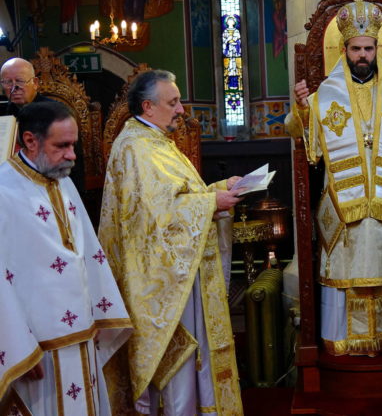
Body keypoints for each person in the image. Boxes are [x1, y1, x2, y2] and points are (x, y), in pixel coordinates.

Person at [285, 0, 382, 356]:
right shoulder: (324, 95)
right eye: (355, 49)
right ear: (344, 50)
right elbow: (301, 137)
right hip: (344, 204)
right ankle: (343, 344)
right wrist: (301, 108)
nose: (362, 55)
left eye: (368, 48)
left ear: (376, 49)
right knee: (344, 272)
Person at [99, 70, 244, 415]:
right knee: (179, 361)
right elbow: (153, 218)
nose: (181, 110)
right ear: (148, 107)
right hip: (162, 283)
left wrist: (218, 190)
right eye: (173, 102)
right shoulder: (135, 147)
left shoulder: (157, 141)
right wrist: (211, 203)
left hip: (182, 268)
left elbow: (177, 198)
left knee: (195, 356)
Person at [0, 101, 131, 415]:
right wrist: (17, 346)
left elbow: (89, 252)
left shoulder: (63, 181)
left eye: (73, 145)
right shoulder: (4, 191)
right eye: (61, 146)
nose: (72, 155)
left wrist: (98, 313)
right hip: (36, 348)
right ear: (30, 141)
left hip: (82, 334)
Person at [0, 57, 85, 192]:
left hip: (50, 183)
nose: (14, 87)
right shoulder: (3, 114)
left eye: (20, 81)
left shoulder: (55, 112)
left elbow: (71, 158)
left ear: (35, 83)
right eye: (7, 82)